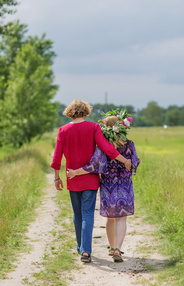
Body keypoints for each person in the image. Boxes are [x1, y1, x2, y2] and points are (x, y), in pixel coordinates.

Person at [51, 99, 131, 263]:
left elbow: (57, 156)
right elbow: (106, 148)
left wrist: (56, 177)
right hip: (90, 178)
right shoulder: (93, 127)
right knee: (87, 214)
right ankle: (85, 251)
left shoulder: (63, 130)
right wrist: (124, 160)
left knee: (77, 214)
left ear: (70, 112)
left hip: (72, 178)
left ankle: (82, 248)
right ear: (86, 111)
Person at [67, 110, 140, 262]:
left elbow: (93, 166)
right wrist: (127, 164)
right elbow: (135, 164)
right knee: (122, 219)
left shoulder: (103, 148)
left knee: (111, 219)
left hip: (108, 187)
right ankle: (118, 249)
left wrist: (75, 172)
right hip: (125, 186)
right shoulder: (130, 144)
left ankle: (112, 248)